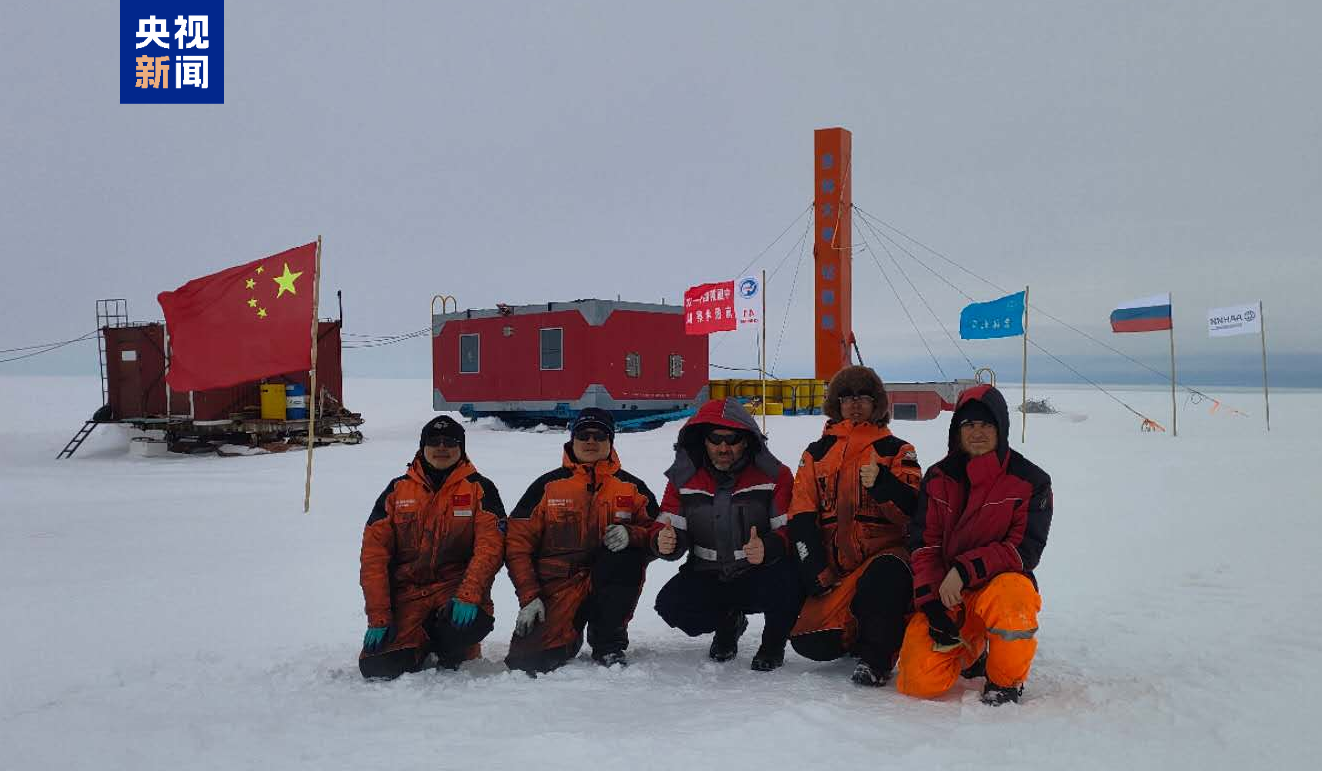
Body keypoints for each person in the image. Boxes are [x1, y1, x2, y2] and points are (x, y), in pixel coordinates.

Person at [895, 384, 1053, 705]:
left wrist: (964, 571)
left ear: (1001, 428)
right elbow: (924, 546)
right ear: (957, 430)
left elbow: (1023, 551)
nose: (977, 432)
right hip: (949, 592)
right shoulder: (938, 477)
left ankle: (1004, 682)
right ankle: (972, 649)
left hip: (997, 586)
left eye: (986, 424)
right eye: (969, 424)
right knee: (917, 682)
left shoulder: (1031, 481)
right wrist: (932, 605)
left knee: (1013, 598)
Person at [786, 366, 923, 686]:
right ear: (837, 403)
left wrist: (884, 485)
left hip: (885, 560)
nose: (855, 403)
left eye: (864, 396)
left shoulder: (897, 450)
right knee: (812, 642)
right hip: (838, 569)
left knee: (886, 574)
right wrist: (814, 569)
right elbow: (801, 514)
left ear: (877, 403)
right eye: (847, 396)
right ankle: (861, 630)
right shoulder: (815, 453)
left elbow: (915, 511)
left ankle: (877, 659)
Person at [651, 398, 801, 671]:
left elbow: (790, 528)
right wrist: (665, 541)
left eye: (732, 439)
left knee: (791, 581)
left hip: (757, 573)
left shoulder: (776, 475)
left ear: (747, 441)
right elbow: (667, 524)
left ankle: (773, 645)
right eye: (715, 439)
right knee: (671, 605)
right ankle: (728, 623)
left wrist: (769, 546)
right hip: (708, 572)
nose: (723, 447)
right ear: (703, 440)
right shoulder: (682, 479)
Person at [504, 408, 659, 673]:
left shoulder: (632, 488)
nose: (591, 441)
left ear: (610, 441)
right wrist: (529, 597)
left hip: (609, 580)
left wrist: (634, 535)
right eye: (584, 435)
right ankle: (567, 635)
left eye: (599, 436)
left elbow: (660, 534)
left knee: (627, 557)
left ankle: (608, 640)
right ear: (572, 440)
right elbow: (516, 543)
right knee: (527, 662)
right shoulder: (547, 486)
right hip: (558, 585)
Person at [358, 416, 506, 679]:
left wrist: (469, 595)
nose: (442, 448)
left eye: (450, 442)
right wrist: (379, 616)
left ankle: (451, 644)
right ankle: (419, 639)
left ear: (461, 448)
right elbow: (374, 557)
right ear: (422, 447)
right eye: (434, 441)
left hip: (456, 593)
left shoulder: (480, 489)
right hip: (408, 597)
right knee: (377, 668)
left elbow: (491, 547)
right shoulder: (397, 491)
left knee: (462, 634)